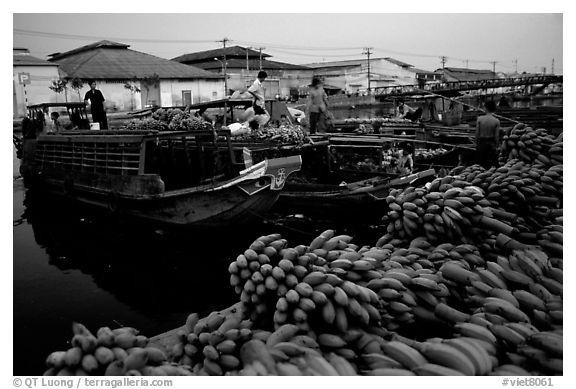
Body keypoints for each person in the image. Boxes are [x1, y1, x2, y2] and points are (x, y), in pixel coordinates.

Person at [475, 100, 501, 169]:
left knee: (481, 165)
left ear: (485, 108)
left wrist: (477, 144)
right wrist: (497, 146)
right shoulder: (496, 121)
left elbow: (477, 134)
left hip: (481, 143)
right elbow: (497, 136)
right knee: (490, 165)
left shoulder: (480, 119)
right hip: (491, 144)